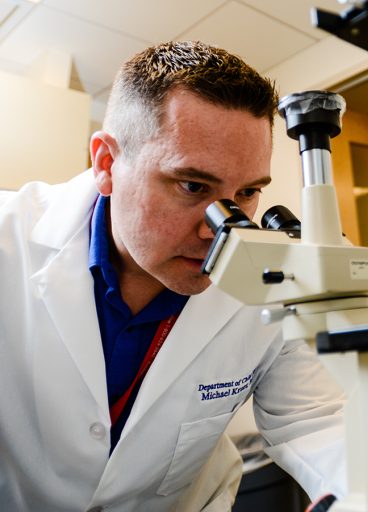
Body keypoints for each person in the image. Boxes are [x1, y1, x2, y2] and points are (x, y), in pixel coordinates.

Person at [0, 41, 346, 511]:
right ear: (106, 163)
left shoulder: (274, 280)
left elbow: (320, 421)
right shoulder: (9, 242)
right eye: (192, 186)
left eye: (246, 193)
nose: (219, 229)